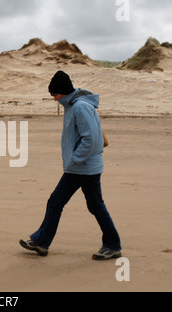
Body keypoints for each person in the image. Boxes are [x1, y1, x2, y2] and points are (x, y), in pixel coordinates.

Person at [20, 71, 122, 260]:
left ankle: (113, 245)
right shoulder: (72, 105)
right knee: (56, 202)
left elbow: (90, 139)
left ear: (63, 92)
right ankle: (42, 242)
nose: (54, 99)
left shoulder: (80, 107)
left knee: (95, 206)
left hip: (85, 167)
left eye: (55, 95)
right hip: (77, 167)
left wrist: (75, 159)